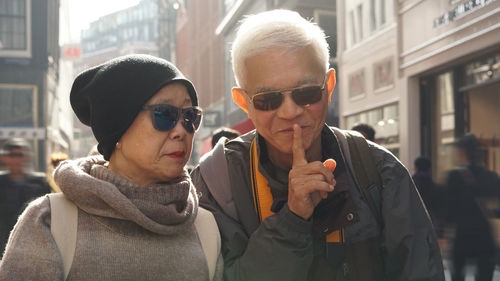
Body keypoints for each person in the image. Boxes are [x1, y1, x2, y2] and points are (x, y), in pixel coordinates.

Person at [190, 9, 444, 281]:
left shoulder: (380, 170)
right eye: (268, 99)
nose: (290, 112)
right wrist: (293, 219)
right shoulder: (216, 183)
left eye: (307, 93)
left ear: (329, 85)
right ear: (244, 102)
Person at [0, 55, 223, 281]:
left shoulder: (207, 228)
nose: (181, 131)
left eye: (190, 116)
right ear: (117, 131)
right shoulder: (50, 222)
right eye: (164, 114)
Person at [445, 133, 500, 281]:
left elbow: (449, 209)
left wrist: (444, 232)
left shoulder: (454, 177)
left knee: (457, 273)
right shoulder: (492, 177)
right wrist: (490, 212)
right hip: (484, 234)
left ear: (462, 152)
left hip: (462, 233)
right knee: (485, 274)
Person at [0, 138, 51, 256]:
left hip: (31, 242)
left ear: (26, 157)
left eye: (20, 155)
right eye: (12, 155)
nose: (16, 159)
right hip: (3, 242)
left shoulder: (40, 182)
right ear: (5, 158)